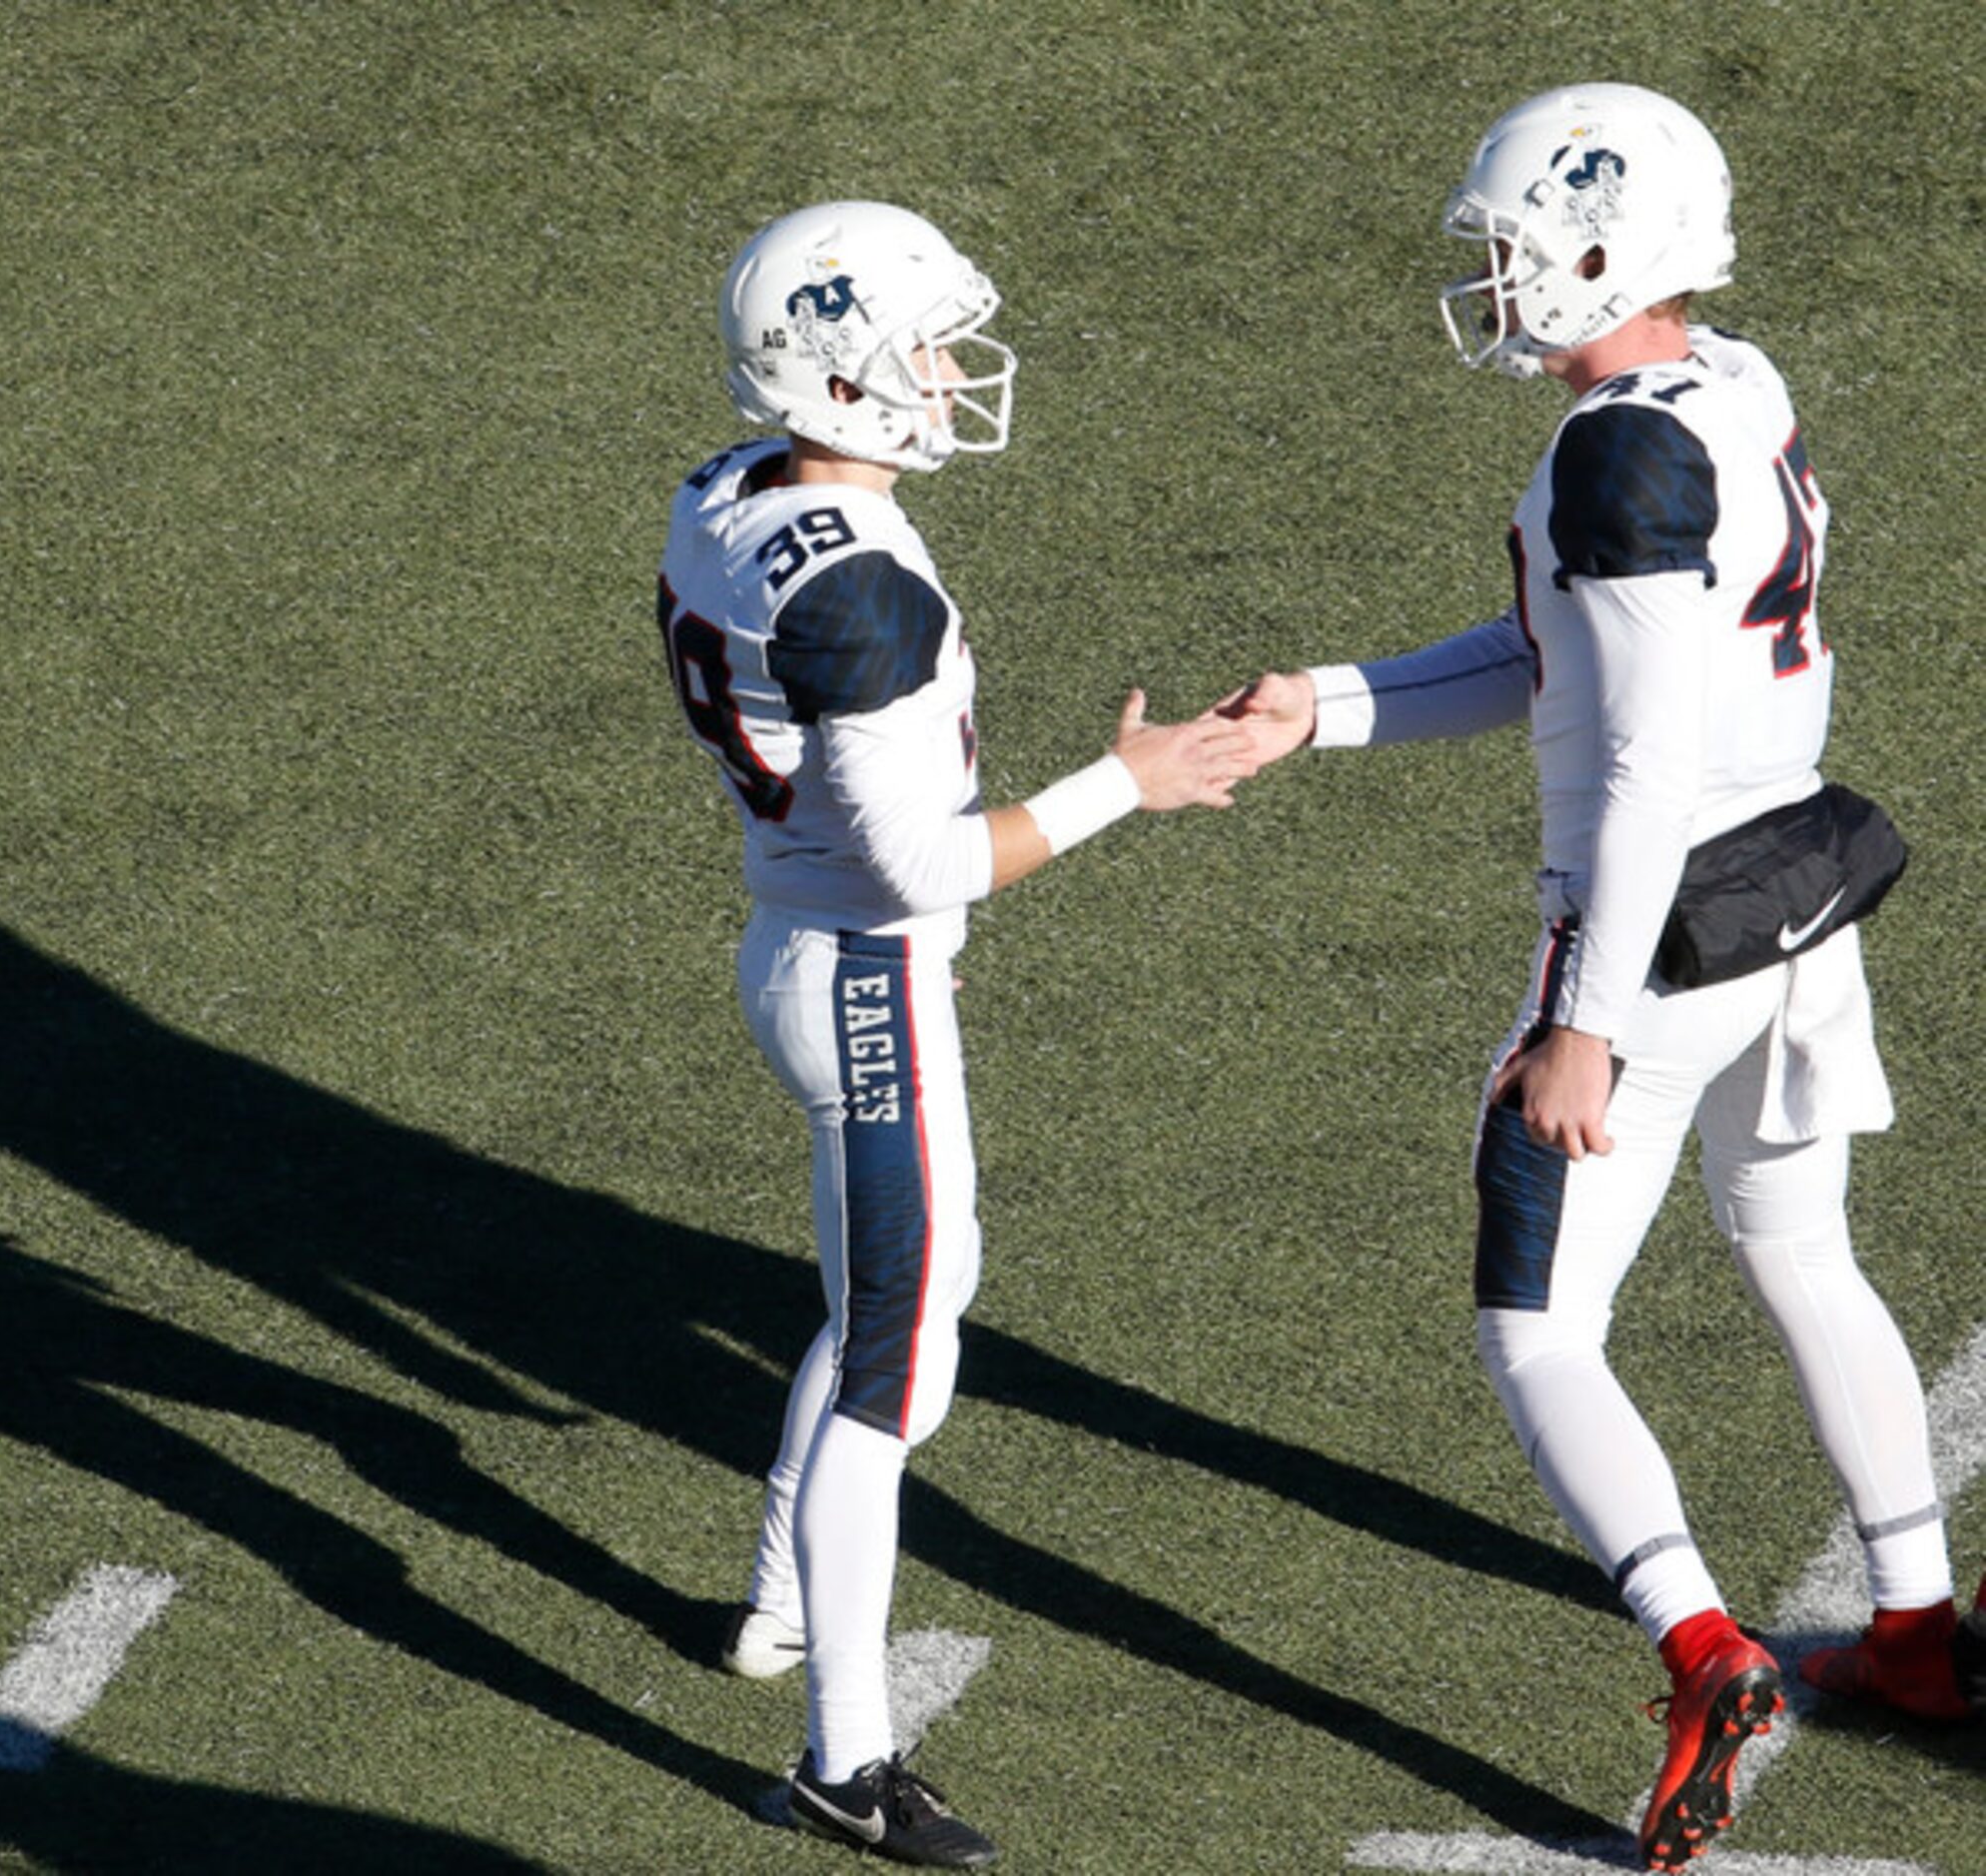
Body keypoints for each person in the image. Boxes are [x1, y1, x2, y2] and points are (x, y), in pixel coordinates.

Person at [1214, 82, 1984, 1871]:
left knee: (1537, 1323)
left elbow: (1630, 761)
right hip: (1796, 876)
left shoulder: (1614, 451)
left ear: (1596, 246)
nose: (1488, 275)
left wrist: (1581, 1021)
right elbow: (1561, 648)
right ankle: (1915, 1631)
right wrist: (1314, 708)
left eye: (1509, 243)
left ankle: (1704, 1652)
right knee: (1800, 1247)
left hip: (1665, 920)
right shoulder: (1727, 385)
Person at [658, 200, 1254, 1866]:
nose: (945, 371)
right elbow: (914, 855)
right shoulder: (860, 598)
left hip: (818, 934)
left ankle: (780, 1601)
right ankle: (843, 1756)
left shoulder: (726, 491)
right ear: (839, 373)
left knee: (892, 1315)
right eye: (919, 346)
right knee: (895, 1363)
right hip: (860, 963)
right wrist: (1124, 785)